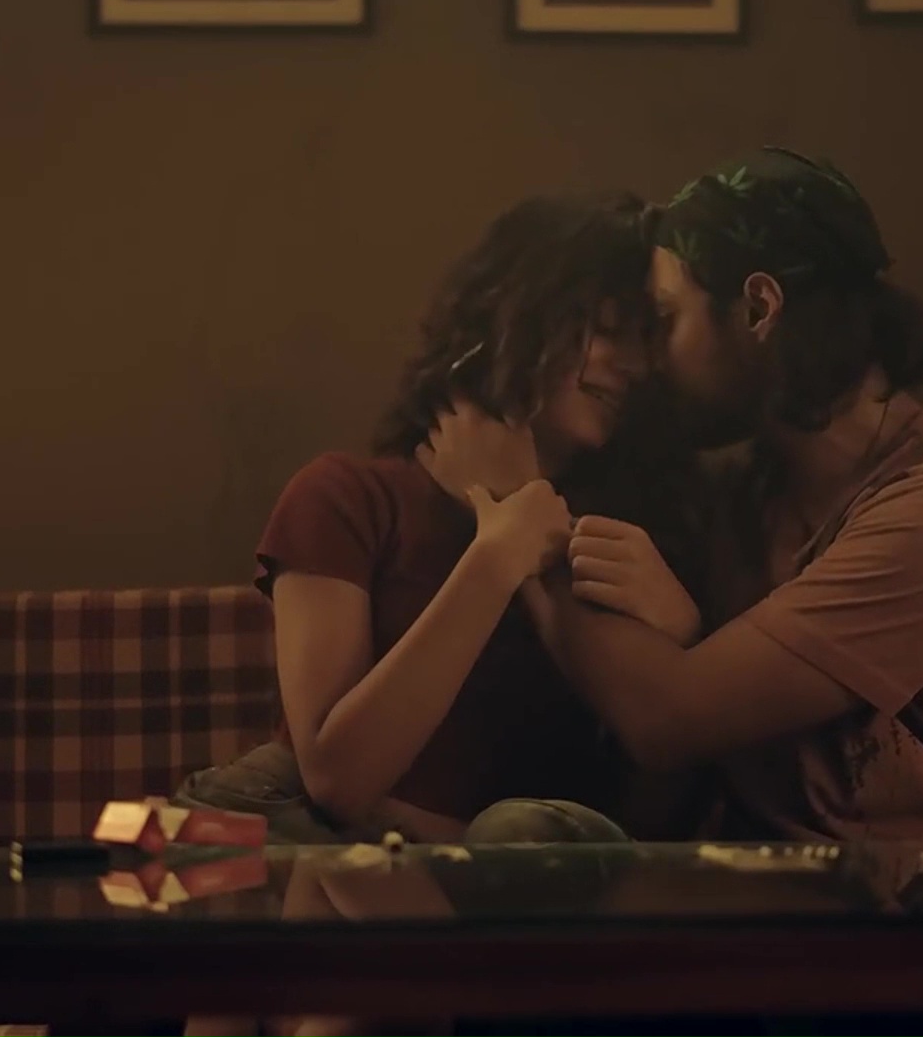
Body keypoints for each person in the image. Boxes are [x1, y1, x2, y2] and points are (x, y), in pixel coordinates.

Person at [429, 147, 923, 848]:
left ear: (759, 307)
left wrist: (516, 509)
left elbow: (666, 719)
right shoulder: (747, 496)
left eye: (667, 320)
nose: (650, 362)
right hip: (747, 887)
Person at [174, 191, 706, 849]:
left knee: (525, 835)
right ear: (517, 319)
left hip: (540, 875)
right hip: (342, 867)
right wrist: (497, 553)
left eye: (646, 339)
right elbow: (337, 780)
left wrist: (683, 632)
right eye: (604, 330)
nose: (634, 365)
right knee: (212, 815)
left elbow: (662, 804)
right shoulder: (347, 498)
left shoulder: (645, 529)